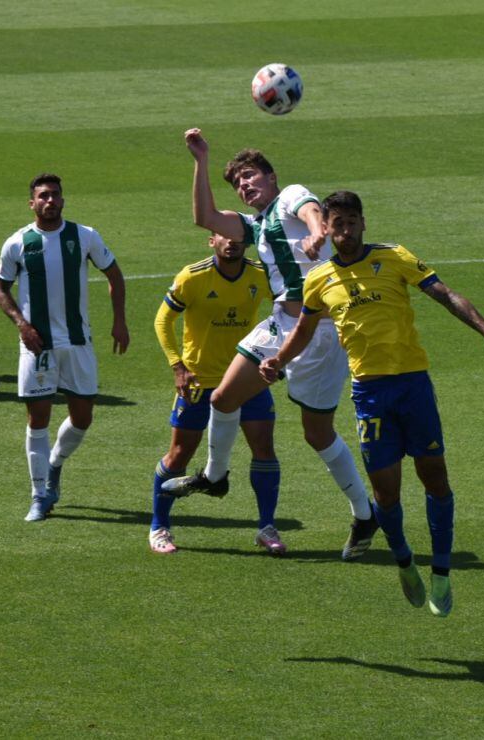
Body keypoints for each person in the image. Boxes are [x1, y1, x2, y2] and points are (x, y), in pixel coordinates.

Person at [260, 191, 484, 618]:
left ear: (363, 223)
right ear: (325, 226)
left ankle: (441, 571)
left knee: (435, 477)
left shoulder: (394, 257)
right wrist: (278, 361)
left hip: (414, 386)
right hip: (370, 394)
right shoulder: (318, 279)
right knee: (386, 493)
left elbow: (445, 294)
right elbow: (303, 330)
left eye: (350, 222)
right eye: (335, 223)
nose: (343, 231)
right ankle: (404, 560)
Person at [162, 129, 378, 560]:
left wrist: (318, 233)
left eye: (250, 176)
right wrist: (200, 160)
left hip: (321, 334)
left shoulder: (290, 196)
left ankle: (364, 513)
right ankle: (215, 476)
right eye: (238, 182)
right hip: (282, 321)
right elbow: (205, 216)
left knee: (317, 435)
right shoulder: (254, 225)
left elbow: (313, 210)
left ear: (271, 176)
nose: (244, 185)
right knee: (222, 399)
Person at [0, 173, 129, 522]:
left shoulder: (84, 236)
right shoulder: (18, 242)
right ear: (32, 203)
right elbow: (0, 289)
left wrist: (119, 321)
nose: (50, 201)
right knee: (38, 419)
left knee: (83, 418)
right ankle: (39, 495)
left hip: (78, 342)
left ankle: (54, 464)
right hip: (37, 346)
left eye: (55, 195)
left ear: (63, 201)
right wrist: (22, 325)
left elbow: (114, 275)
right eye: (43, 196)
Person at [150, 233, 280, 554]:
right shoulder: (192, 277)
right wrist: (177, 365)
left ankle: (266, 527)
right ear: (212, 241)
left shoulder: (259, 275)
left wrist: (275, 352)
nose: (232, 243)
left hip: (245, 379)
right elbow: (162, 319)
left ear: (247, 243)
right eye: (225, 238)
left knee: (263, 448)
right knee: (179, 454)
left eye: (238, 238)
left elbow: (288, 310)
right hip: (198, 381)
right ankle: (159, 526)